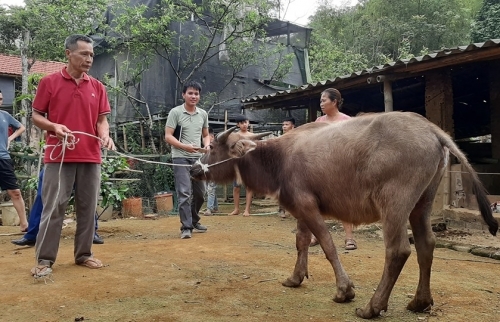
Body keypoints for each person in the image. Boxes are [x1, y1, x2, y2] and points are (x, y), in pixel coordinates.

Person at [31, 34, 115, 277]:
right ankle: (44, 260)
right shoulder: (49, 82)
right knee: (54, 207)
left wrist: (105, 135)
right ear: (68, 53)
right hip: (59, 156)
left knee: (88, 208)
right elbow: (37, 116)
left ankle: (84, 254)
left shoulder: (97, 87)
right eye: (84, 54)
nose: (89, 59)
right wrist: (54, 127)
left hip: (90, 155)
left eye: (91, 55)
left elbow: (102, 119)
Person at [310, 88, 357, 250]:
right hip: (321, 167)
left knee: (344, 202)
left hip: (342, 167)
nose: (321, 103)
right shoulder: (318, 122)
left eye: (324, 100)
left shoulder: (347, 121)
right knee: (318, 202)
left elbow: (354, 146)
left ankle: (349, 238)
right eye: (321, 100)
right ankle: (316, 236)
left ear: (334, 101)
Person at [11, 169, 104, 247]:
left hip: (82, 159)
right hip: (57, 160)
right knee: (43, 196)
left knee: (87, 198)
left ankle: (91, 234)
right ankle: (32, 235)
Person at [165, 80, 210, 239]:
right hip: (180, 157)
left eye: (196, 93)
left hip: (198, 158)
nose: (193, 96)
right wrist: (185, 147)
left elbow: (205, 135)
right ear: (183, 95)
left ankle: (194, 219)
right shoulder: (175, 112)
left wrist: (207, 145)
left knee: (201, 193)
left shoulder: (203, 114)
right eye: (190, 93)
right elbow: (168, 136)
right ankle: (186, 226)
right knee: (184, 193)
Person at [0, 90, 28, 232]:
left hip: (3, 158)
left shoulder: (5, 115)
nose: (0, 101)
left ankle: (24, 225)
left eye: (1, 99)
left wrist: (10, 138)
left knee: (15, 192)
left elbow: (21, 127)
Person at [229, 115, 254, 217]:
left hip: (249, 165)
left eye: (246, 122)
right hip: (237, 165)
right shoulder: (234, 136)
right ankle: (236, 209)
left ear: (248, 123)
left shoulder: (253, 135)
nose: (244, 124)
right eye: (242, 123)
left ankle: (247, 210)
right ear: (238, 124)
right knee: (236, 187)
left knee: (249, 187)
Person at [278, 117, 295, 218]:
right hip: (283, 166)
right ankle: (281, 209)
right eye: (283, 125)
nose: (284, 126)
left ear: (293, 126)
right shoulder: (280, 138)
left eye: (286, 124)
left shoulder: (298, 137)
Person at [204, 127, 218, 216]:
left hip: (215, 171)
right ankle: (215, 207)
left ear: (212, 137)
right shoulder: (206, 147)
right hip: (207, 171)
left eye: (206, 136)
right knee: (211, 189)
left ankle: (209, 209)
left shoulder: (216, 147)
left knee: (211, 188)